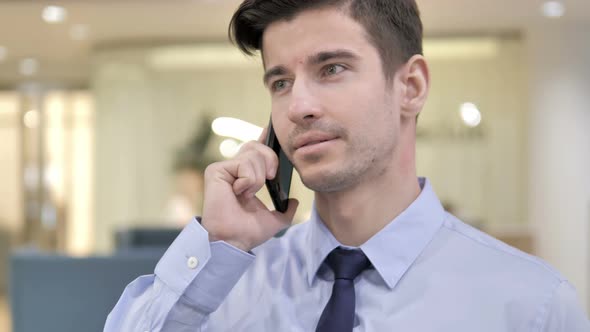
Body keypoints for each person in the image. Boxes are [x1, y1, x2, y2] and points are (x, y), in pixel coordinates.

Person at [104, 0, 590, 331]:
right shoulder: (222, 284)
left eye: (331, 68)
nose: (298, 106)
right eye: (280, 82)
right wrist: (219, 245)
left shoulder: (531, 305)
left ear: (411, 86)